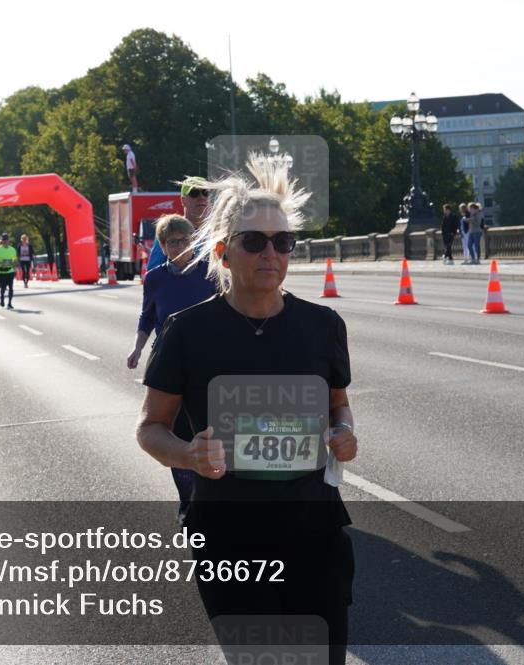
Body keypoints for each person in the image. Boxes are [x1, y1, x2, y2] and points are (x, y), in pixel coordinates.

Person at [137, 154, 358, 664]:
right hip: (228, 537)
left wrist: (344, 434)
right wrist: (189, 456)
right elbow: (150, 428)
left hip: (315, 532)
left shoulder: (324, 326)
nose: (271, 253)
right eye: (254, 241)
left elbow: (339, 409)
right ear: (223, 250)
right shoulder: (188, 333)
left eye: (283, 242)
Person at [127, 214, 217, 518]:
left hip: (209, 361)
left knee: (211, 430)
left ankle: (214, 495)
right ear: (163, 246)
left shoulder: (210, 272)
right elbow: (147, 316)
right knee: (176, 434)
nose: (181, 245)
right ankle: (187, 500)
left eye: (186, 239)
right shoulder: (155, 278)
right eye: (174, 241)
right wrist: (137, 348)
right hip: (170, 363)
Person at [145, 176, 211, 272]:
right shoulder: (170, 229)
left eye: (205, 193)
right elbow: (153, 273)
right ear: (183, 200)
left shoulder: (218, 232)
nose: (201, 197)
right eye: (194, 193)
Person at [0, 232, 17, 309]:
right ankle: (2, 297)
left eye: (6, 239)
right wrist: (2, 263)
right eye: (4, 239)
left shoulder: (12, 249)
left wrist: (14, 264)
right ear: (2, 240)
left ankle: (9, 303)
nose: (5, 241)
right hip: (1, 271)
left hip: (10, 271)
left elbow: (15, 260)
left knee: (11, 288)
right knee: (3, 288)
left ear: (8, 240)